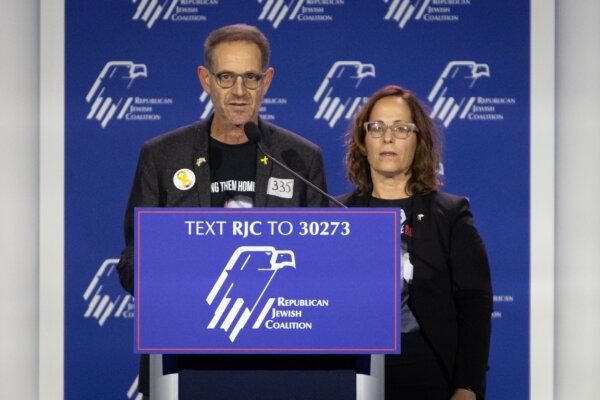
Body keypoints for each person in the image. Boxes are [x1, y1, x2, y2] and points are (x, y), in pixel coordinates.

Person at [116, 24, 330, 397]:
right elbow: (132, 262)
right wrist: (177, 277)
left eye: (251, 77)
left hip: (276, 361)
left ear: (267, 81)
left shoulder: (300, 158)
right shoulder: (164, 156)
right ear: (206, 79)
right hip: (183, 355)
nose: (239, 92)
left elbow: (322, 261)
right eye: (226, 77)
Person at [338, 85, 493, 399]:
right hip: (350, 373)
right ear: (362, 140)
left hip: (427, 373)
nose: (388, 137)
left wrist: (468, 386)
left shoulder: (449, 215)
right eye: (377, 127)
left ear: (419, 140)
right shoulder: (336, 214)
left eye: (401, 128)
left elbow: (475, 307)